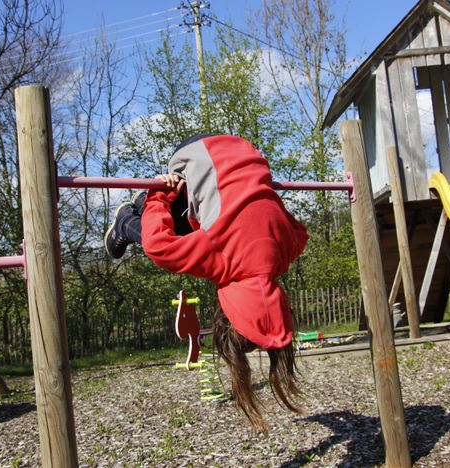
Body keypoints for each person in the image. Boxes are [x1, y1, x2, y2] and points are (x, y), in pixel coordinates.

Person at [105, 134, 309, 433]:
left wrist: (264, 194)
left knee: (198, 219)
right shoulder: (221, 260)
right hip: (191, 156)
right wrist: (159, 195)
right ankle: (126, 219)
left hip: (244, 150)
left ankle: (159, 204)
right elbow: (158, 247)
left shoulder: (287, 251)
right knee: (168, 231)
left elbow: (299, 229)